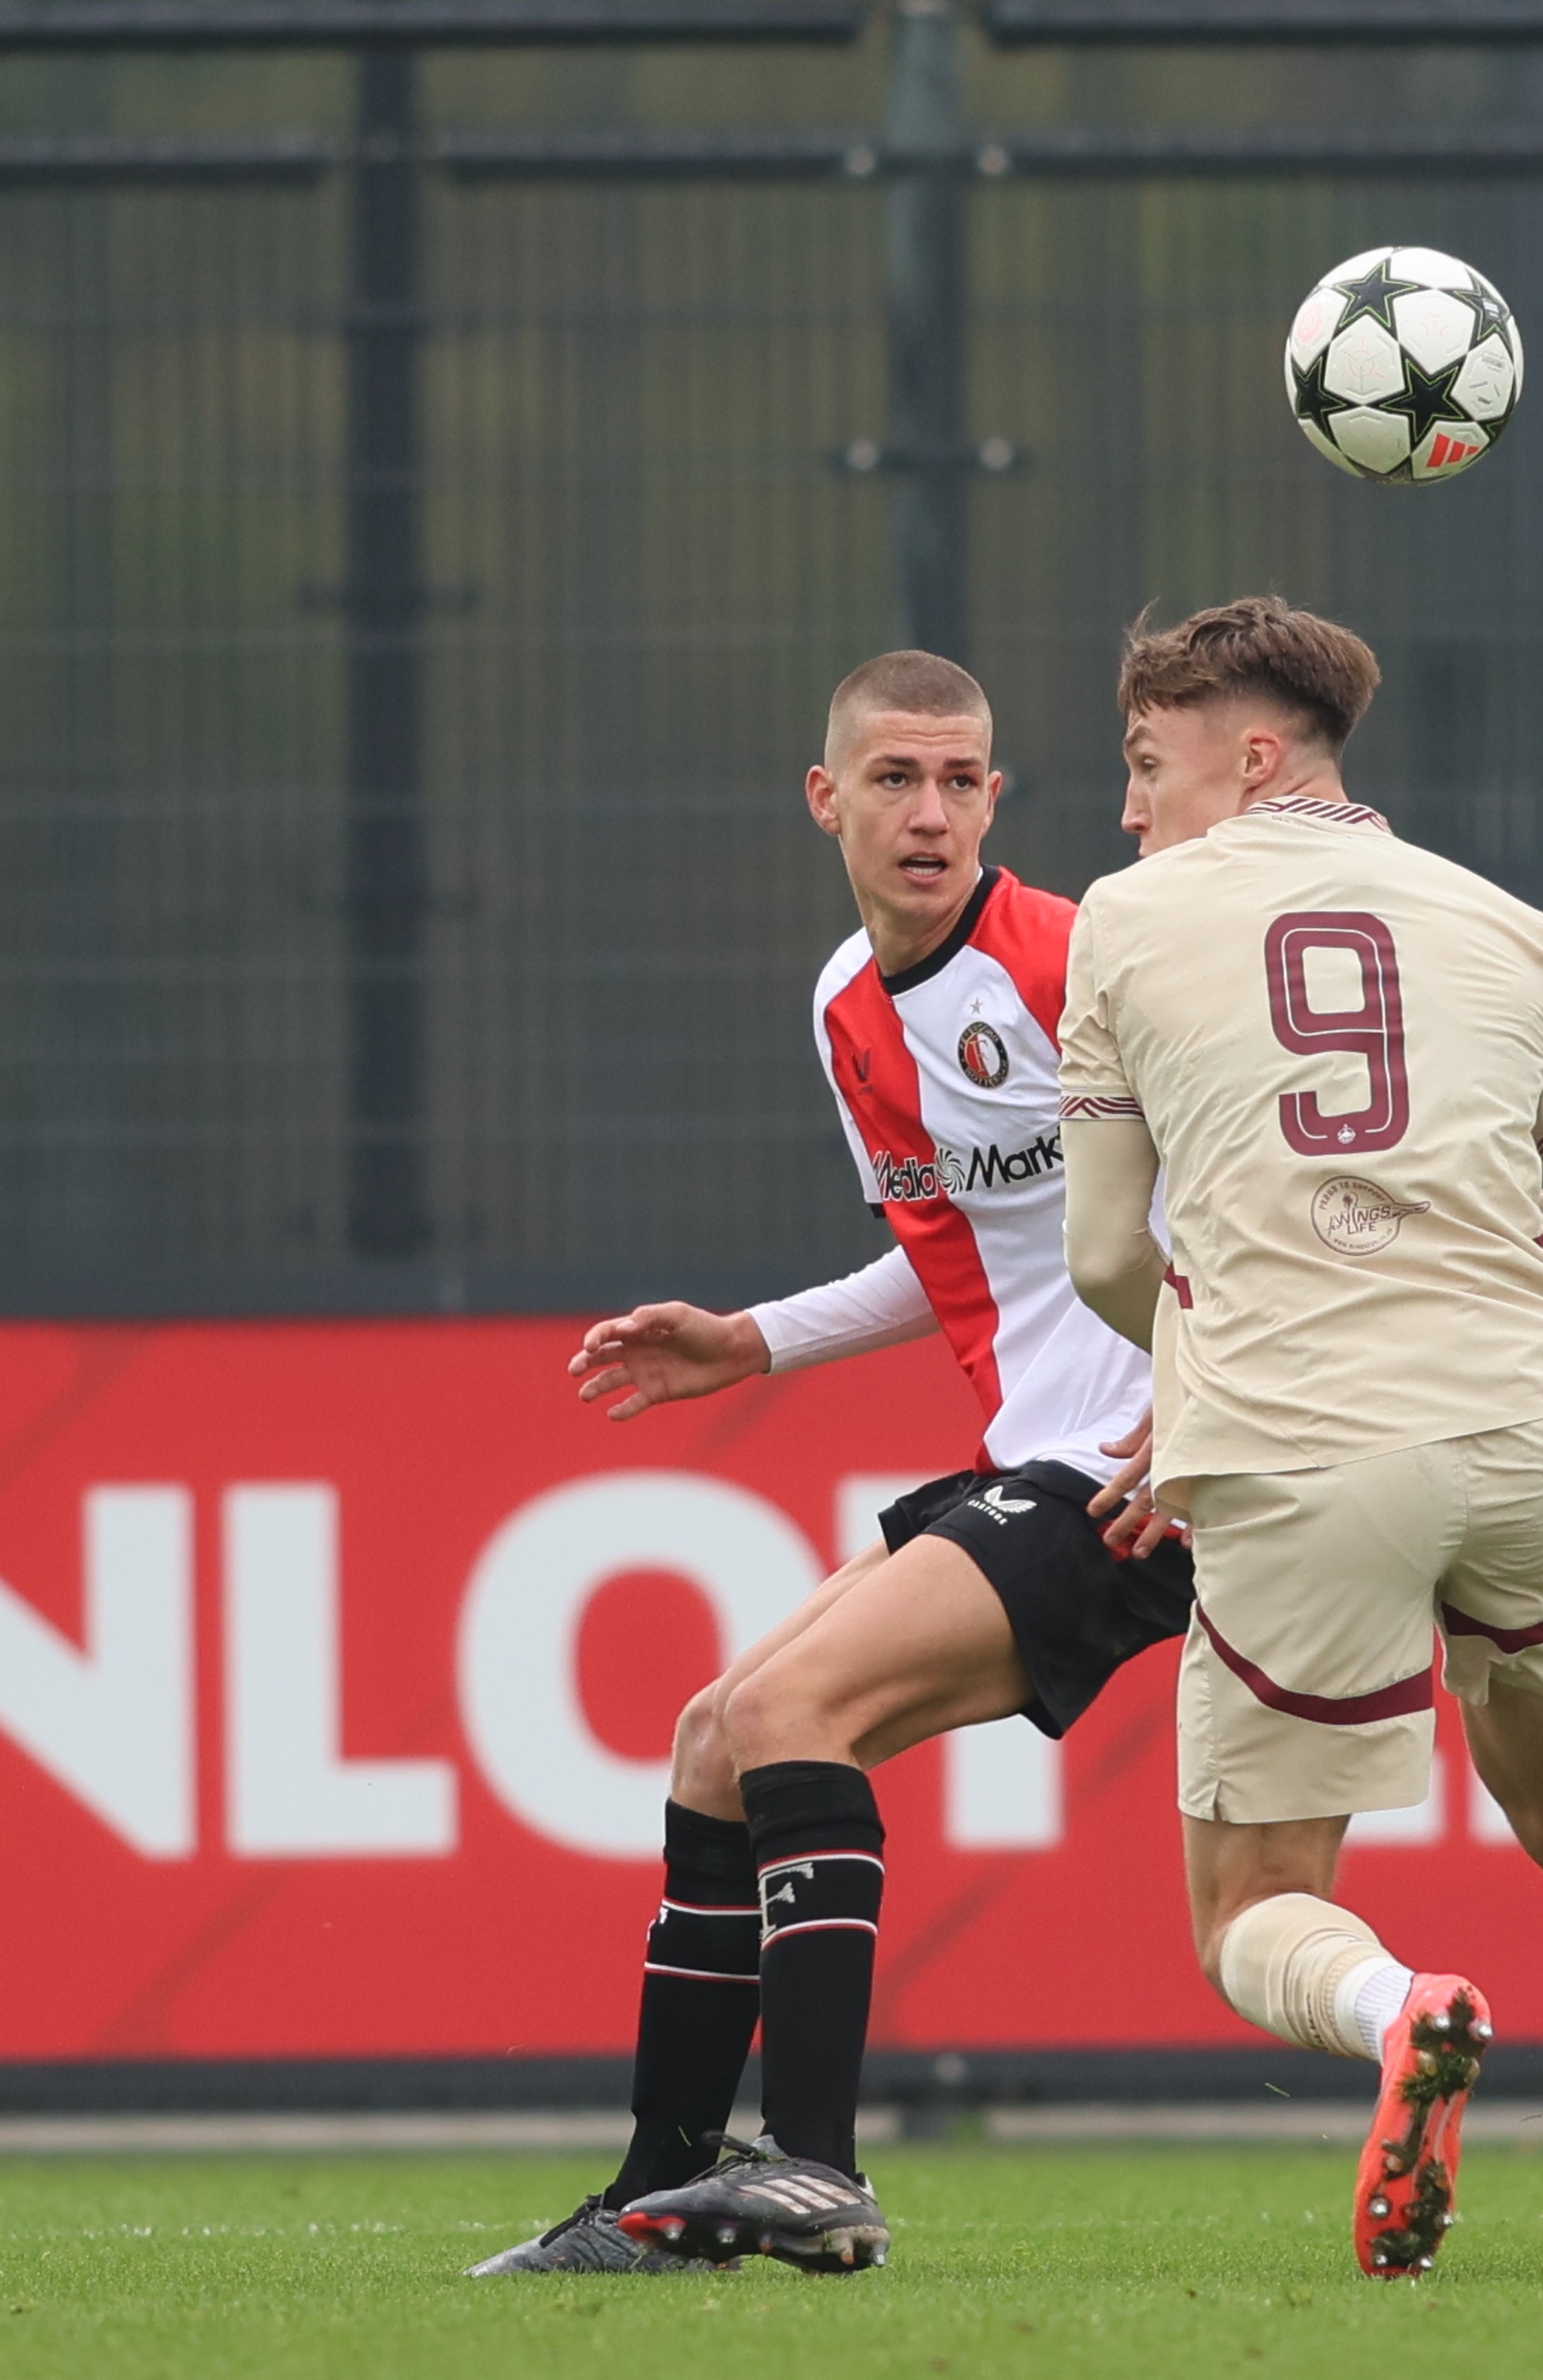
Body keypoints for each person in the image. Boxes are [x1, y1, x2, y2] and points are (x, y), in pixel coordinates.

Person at [1058, 597, 1543, 2279]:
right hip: (1528, 1439)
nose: (1126, 807)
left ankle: (1406, 2005)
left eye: (1144, 761)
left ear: (1252, 756)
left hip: (1303, 1442)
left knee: (1251, 1899)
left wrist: (1207, 1369)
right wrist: (1457, 1212)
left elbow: (1107, 1254)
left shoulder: (1121, 921)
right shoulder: (1519, 928)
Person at [468, 650, 1190, 2279]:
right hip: (1032, 1455)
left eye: (959, 781)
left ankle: (816, 2171)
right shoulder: (845, 1008)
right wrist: (753, 1338)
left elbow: (1235, 1202)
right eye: (893, 779)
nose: (928, 813)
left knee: (792, 1716)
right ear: (828, 798)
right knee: (716, 1733)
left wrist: (1207, 1413)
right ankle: (662, 2197)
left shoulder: (1081, 963)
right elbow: (959, 1259)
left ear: (998, 798)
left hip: (1147, 1473)